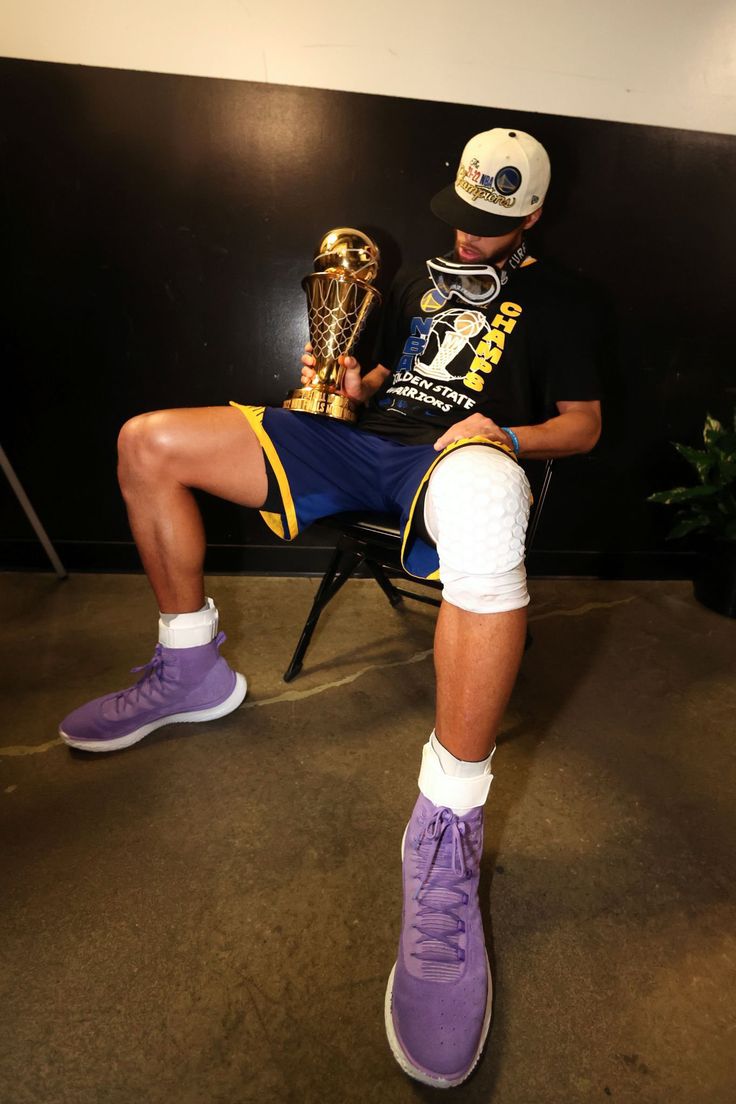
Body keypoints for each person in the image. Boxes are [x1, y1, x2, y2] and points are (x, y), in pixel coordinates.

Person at [59, 128, 602, 1088]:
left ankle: (445, 832)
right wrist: (348, 384)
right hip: (369, 445)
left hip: (464, 458)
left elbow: (583, 427)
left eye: (491, 227)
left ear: (532, 217)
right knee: (146, 442)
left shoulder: (564, 302)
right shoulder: (412, 280)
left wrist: (504, 432)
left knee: (483, 499)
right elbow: (385, 379)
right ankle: (192, 666)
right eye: (461, 219)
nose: (469, 239)